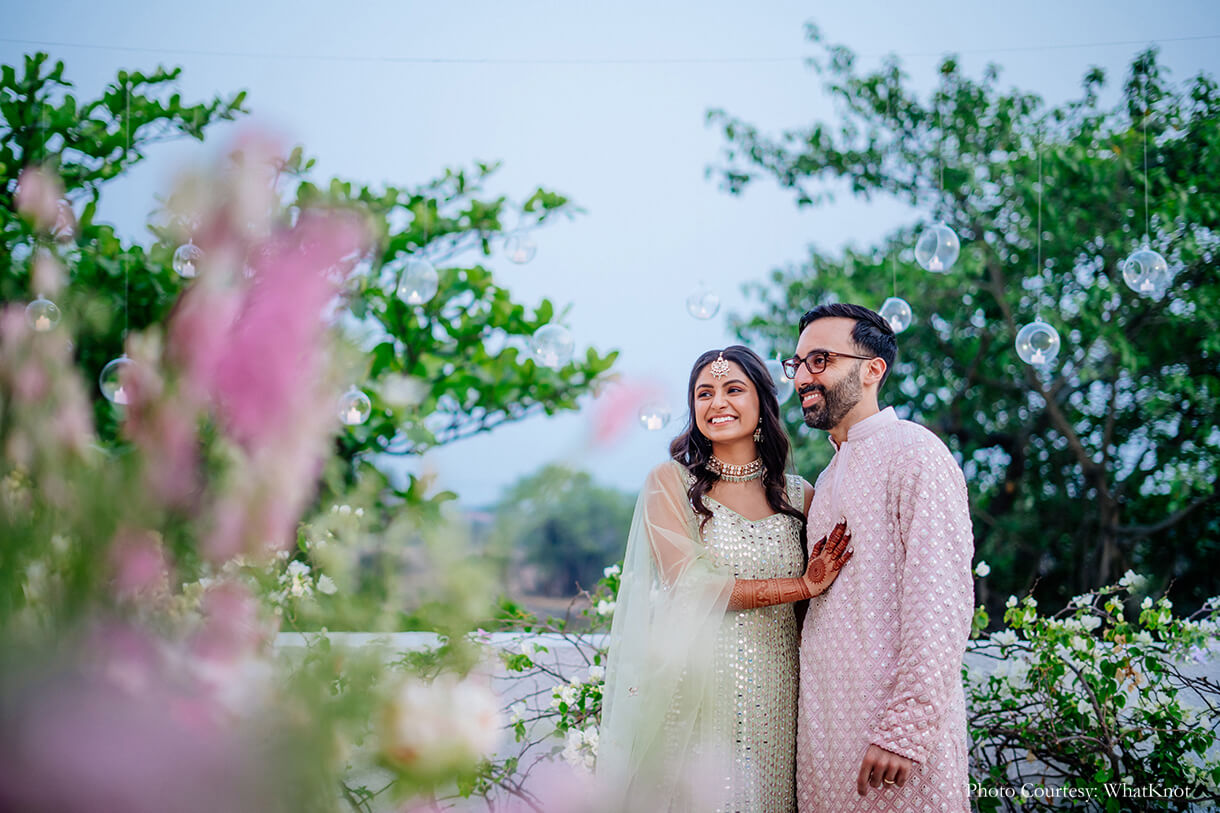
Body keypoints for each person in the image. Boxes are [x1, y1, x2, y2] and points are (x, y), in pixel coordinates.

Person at [597, 345, 853, 812]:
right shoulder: (669, 483)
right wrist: (803, 584)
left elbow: (818, 612)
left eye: (734, 389)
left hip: (779, 694)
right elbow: (692, 584)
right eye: (704, 393)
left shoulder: (801, 495)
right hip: (694, 689)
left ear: (762, 405)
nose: (717, 403)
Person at [784, 304, 974, 812]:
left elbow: (941, 601)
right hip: (827, 738)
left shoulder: (915, 452)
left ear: (873, 369)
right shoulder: (827, 479)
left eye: (820, 359)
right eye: (797, 363)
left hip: (894, 747)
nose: (803, 376)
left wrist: (904, 731)